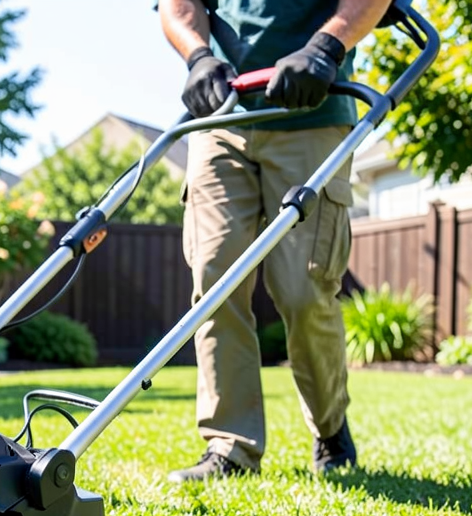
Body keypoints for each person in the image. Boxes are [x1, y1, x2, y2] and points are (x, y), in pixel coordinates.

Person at [157, 0, 394, 483]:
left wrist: (326, 49)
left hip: (312, 111)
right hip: (221, 117)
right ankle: (230, 446)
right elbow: (177, 5)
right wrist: (200, 57)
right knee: (215, 284)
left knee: (304, 290)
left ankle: (330, 428)